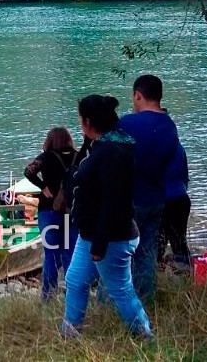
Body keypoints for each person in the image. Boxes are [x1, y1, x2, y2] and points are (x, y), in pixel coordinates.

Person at [62, 95, 152, 340]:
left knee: (120, 290)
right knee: (75, 280)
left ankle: (144, 335)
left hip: (112, 236)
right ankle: (70, 335)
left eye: (81, 120)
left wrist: (100, 243)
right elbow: (78, 173)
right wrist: (85, 143)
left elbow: (114, 201)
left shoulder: (114, 152)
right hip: (91, 233)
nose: (80, 124)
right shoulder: (103, 145)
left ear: (89, 122)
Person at [117, 74, 180, 301]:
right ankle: (146, 299)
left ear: (138, 95)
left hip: (131, 200)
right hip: (157, 199)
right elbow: (175, 166)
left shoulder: (127, 124)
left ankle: (119, 301)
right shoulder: (169, 126)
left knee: (120, 253)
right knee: (147, 252)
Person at [24, 126, 79, 302]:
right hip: (71, 211)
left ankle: (48, 295)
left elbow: (29, 171)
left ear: (49, 140)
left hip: (49, 210)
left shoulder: (46, 157)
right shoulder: (78, 156)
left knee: (51, 254)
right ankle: (72, 293)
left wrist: (42, 187)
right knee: (70, 253)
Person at [158, 144, 191, 265]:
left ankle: (156, 276)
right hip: (180, 198)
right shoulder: (178, 147)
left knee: (158, 242)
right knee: (180, 241)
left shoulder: (150, 146)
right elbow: (185, 176)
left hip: (160, 200)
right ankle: (186, 275)